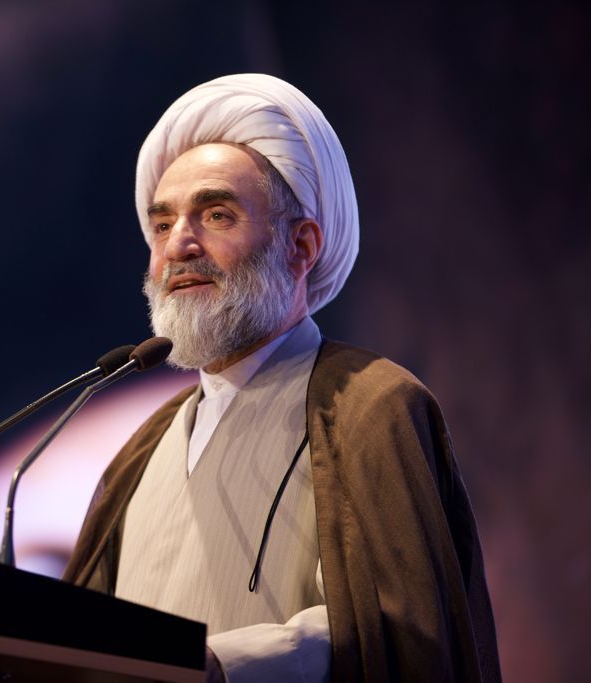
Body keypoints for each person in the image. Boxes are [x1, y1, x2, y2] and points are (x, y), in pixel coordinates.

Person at [62, 74, 500, 682]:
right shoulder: (142, 452)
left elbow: (398, 634)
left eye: (216, 215)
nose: (179, 245)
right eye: (162, 225)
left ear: (301, 245)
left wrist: (222, 665)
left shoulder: (370, 405)